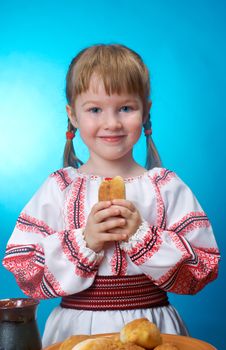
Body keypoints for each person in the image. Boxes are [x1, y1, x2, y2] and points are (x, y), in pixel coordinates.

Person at [3, 44, 220, 347]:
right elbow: (24, 268)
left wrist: (143, 236)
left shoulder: (166, 186)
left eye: (126, 108)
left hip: (153, 325)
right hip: (76, 330)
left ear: (146, 111)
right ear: (73, 116)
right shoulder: (59, 188)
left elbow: (202, 270)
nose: (112, 123)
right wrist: (85, 241)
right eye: (94, 109)